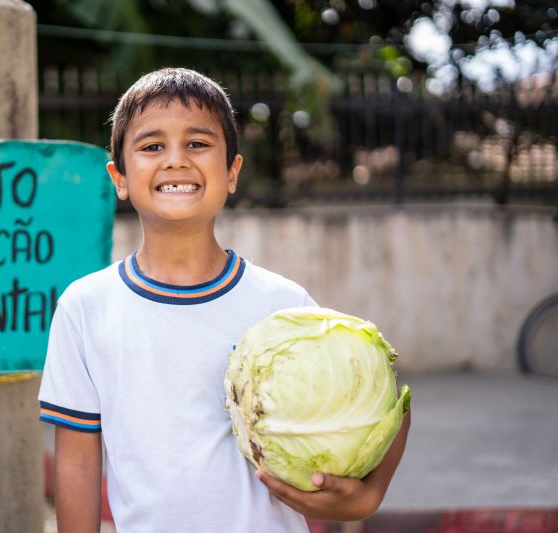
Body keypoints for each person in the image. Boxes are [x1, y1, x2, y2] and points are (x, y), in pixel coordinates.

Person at [38, 67, 410, 532]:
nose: (175, 160)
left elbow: (384, 401)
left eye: (197, 144)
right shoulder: (86, 307)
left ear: (232, 172)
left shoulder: (285, 306)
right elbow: (76, 463)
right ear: (120, 177)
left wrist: (366, 497)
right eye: (152, 146)